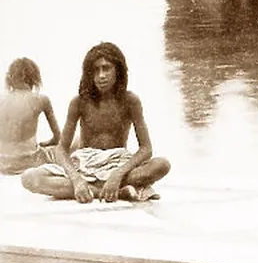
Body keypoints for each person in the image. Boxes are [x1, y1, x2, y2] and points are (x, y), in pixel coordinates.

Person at [21, 42, 170, 203]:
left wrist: (118, 174)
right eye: (95, 70)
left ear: (118, 71)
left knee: (162, 165)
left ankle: (100, 188)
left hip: (118, 162)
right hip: (84, 164)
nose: (101, 75)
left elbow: (146, 149)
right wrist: (76, 180)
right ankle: (110, 192)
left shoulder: (130, 100)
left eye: (106, 68)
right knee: (29, 178)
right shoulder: (79, 102)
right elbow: (61, 150)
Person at [0, 57, 61, 175]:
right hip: (27, 162)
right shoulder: (41, 100)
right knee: (68, 145)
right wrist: (47, 143)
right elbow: (58, 138)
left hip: (2, 162)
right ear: (34, 78)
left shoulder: (1, 99)